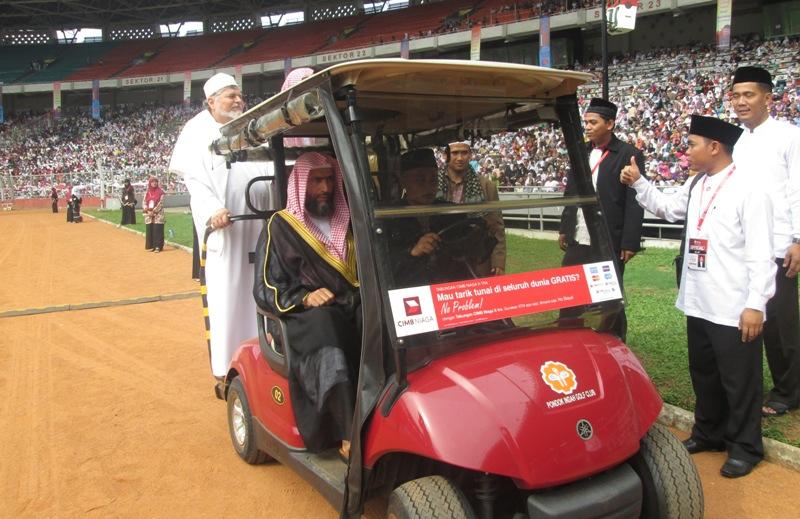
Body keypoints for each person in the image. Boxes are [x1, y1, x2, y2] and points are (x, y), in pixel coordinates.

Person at [620, 114, 776, 478]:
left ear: (715, 147)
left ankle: (745, 447)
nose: (686, 151)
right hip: (699, 300)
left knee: (739, 381)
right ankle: (709, 433)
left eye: (691, 144)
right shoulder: (696, 185)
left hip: (734, 304)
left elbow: (761, 253)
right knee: (704, 373)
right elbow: (668, 208)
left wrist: (756, 303)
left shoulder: (750, 188)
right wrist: (640, 183)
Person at [168, 72, 274, 380]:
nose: (239, 100)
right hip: (228, 230)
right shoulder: (197, 131)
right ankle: (228, 367)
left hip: (260, 223)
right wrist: (213, 210)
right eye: (231, 95)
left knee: (265, 289)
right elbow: (196, 182)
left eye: (240, 95)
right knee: (230, 295)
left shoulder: (250, 127)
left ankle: (266, 357)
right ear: (211, 101)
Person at [254, 152, 359, 459]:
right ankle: (347, 430)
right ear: (301, 184)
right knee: (326, 328)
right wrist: (303, 298)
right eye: (316, 181)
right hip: (306, 315)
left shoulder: (349, 221)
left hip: (351, 304)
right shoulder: (281, 226)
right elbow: (265, 285)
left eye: (329, 179)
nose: (325, 187)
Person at [730, 66, 800, 418]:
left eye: (749, 94)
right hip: (742, 247)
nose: (741, 102)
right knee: (747, 318)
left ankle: (788, 391)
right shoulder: (735, 141)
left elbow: (797, 188)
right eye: (736, 95)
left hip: (779, 244)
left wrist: (798, 239)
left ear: (768, 98)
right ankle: (751, 386)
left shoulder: (789, 136)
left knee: (780, 322)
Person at [559, 98, 645, 341]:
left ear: (609, 124)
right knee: (571, 288)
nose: (586, 127)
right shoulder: (580, 151)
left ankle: (615, 341)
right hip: (579, 235)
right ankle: (569, 336)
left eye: (592, 122)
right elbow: (571, 190)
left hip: (609, 238)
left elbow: (634, 200)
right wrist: (565, 227)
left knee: (608, 296)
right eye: (585, 122)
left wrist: (629, 242)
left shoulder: (628, 154)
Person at [388, 148, 494, 285]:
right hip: (410, 292)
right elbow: (382, 265)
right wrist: (413, 252)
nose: (428, 186)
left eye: (433, 179)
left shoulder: (452, 213)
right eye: (420, 180)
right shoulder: (390, 217)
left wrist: (481, 238)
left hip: (451, 290)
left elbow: (476, 259)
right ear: (403, 181)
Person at [436, 141, 506, 276]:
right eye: (455, 153)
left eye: (464, 153)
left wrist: (498, 262)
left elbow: (496, 226)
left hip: (477, 256)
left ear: (470, 155)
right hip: (442, 255)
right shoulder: (434, 184)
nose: (460, 158)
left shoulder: (486, 186)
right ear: (446, 155)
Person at [143, 177, 165, 252]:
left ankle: (158, 247)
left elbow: (161, 203)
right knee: (150, 229)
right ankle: (151, 246)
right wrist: (147, 210)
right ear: (150, 183)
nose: (154, 183)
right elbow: (144, 202)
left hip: (158, 214)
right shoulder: (147, 192)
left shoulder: (161, 192)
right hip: (149, 214)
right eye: (152, 182)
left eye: (155, 182)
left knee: (157, 229)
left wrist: (154, 211)